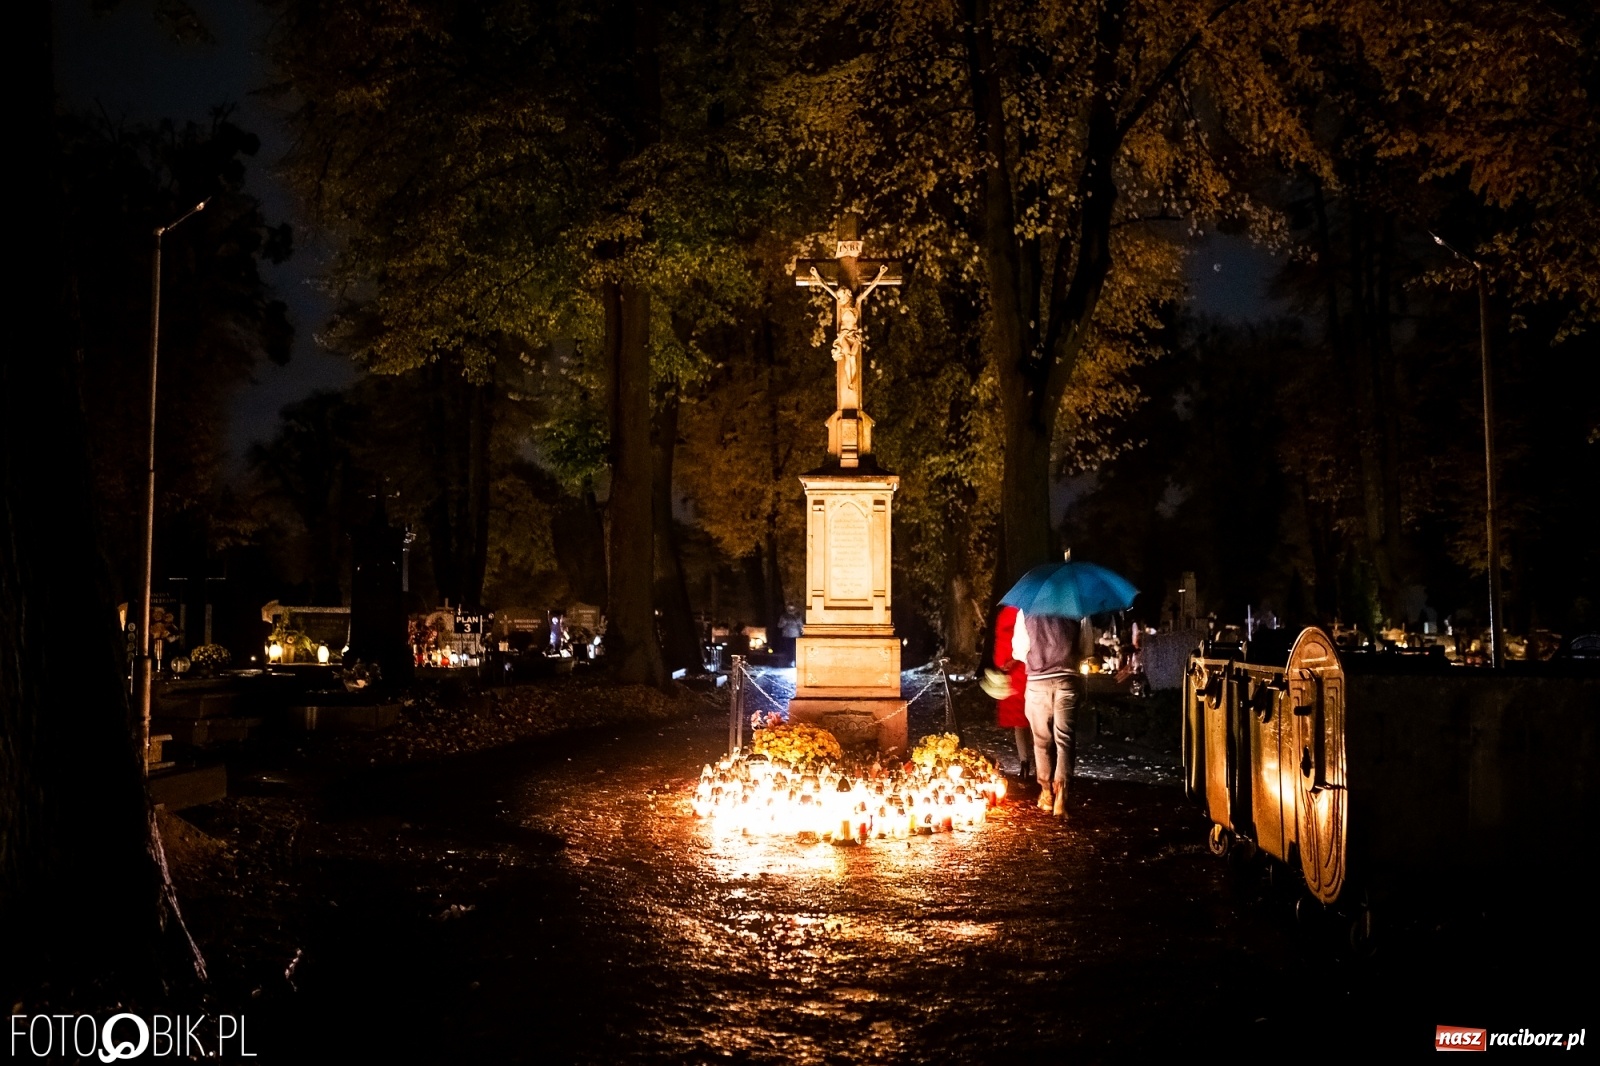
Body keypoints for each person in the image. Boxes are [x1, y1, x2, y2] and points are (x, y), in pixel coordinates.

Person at [1011, 608, 1083, 817]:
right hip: (1067, 680)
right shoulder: (1077, 608)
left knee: (1041, 740)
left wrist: (1037, 659)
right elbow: (1086, 648)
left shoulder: (1027, 610)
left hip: (1036, 682)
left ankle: (1045, 793)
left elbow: (1018, 649)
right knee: (1065, 739)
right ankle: (1062, 795)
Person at [986, 605, 1031, 780]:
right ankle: (1033, 762)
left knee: (1020, 722)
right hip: (1020, 671)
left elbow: (1002, 640)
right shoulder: (1026, 611)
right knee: (1030, 721)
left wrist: (1004, 663)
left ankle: (1025, 761)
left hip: (1013, 671)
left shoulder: (1006, 613)